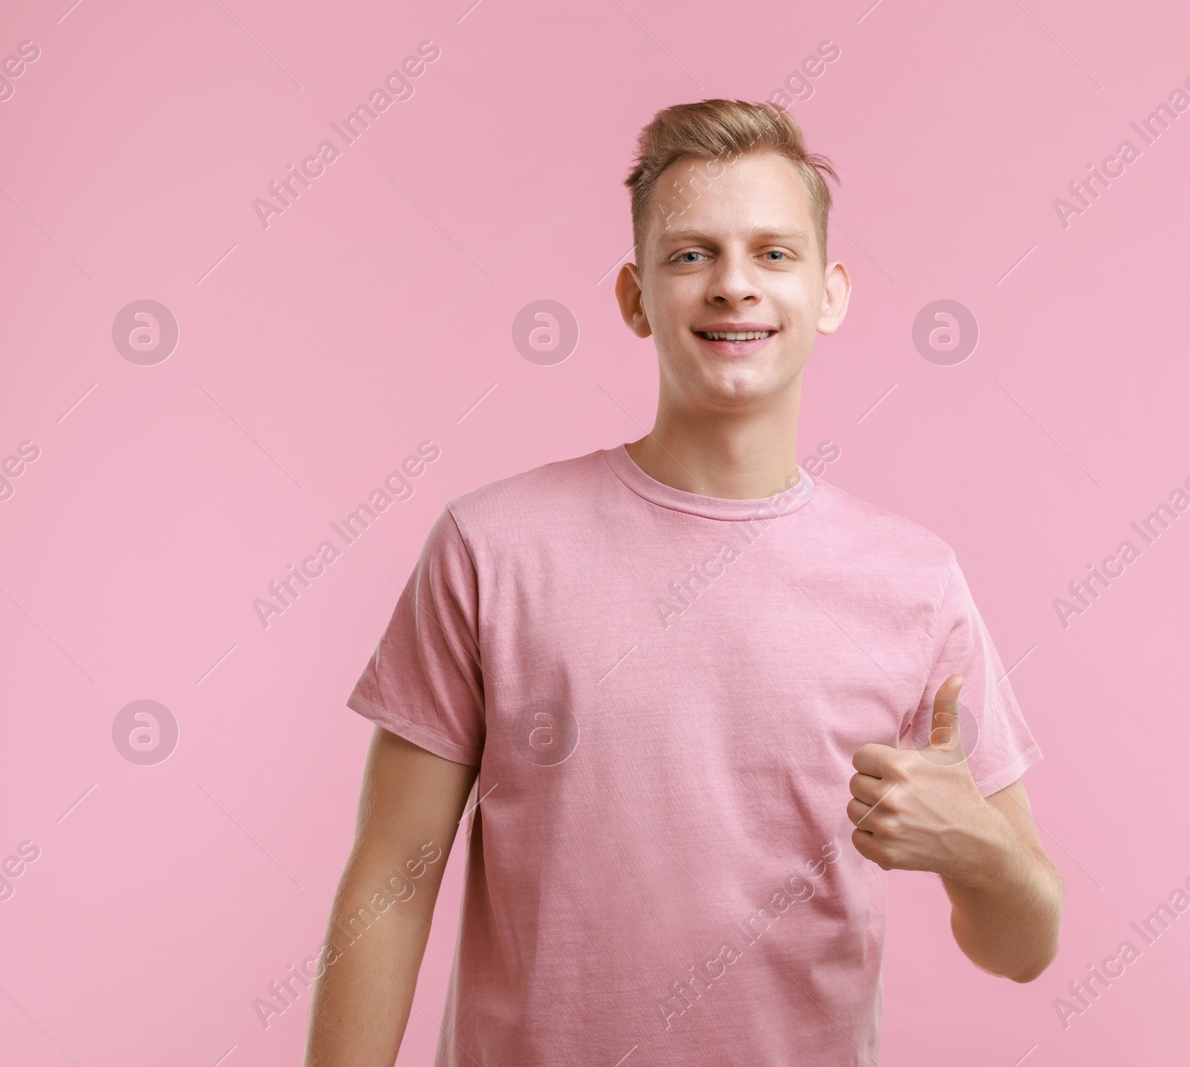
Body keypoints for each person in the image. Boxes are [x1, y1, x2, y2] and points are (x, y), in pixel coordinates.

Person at [303, 98, 1062, 1067]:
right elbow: (391, 880)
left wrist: (977, 848)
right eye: (691, 254)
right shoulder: (492, 545)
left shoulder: (913, 580)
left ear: (829, 295)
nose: (733, 286)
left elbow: (1023, 948)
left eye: (773, 254)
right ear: (634, 296)